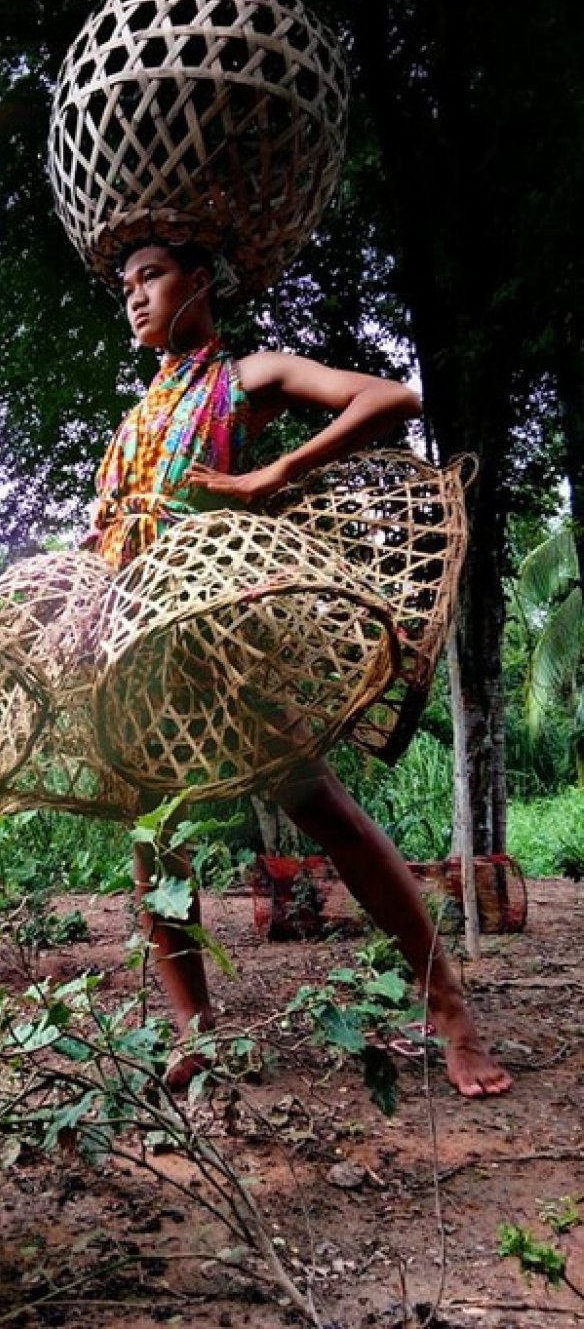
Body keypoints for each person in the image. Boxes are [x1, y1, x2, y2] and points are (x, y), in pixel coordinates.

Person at [86, 240, 511, 1099]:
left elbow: (391, 398)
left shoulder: (245, 377)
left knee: (323, 809)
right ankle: (196, 1030)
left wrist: (270, 474)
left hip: (221, 634)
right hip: (139, 641)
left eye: (152, 276)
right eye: (125, 284)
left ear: (199, 281)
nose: (135, 296)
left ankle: (449, 1006)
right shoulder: (135, 422)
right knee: (153, 839)